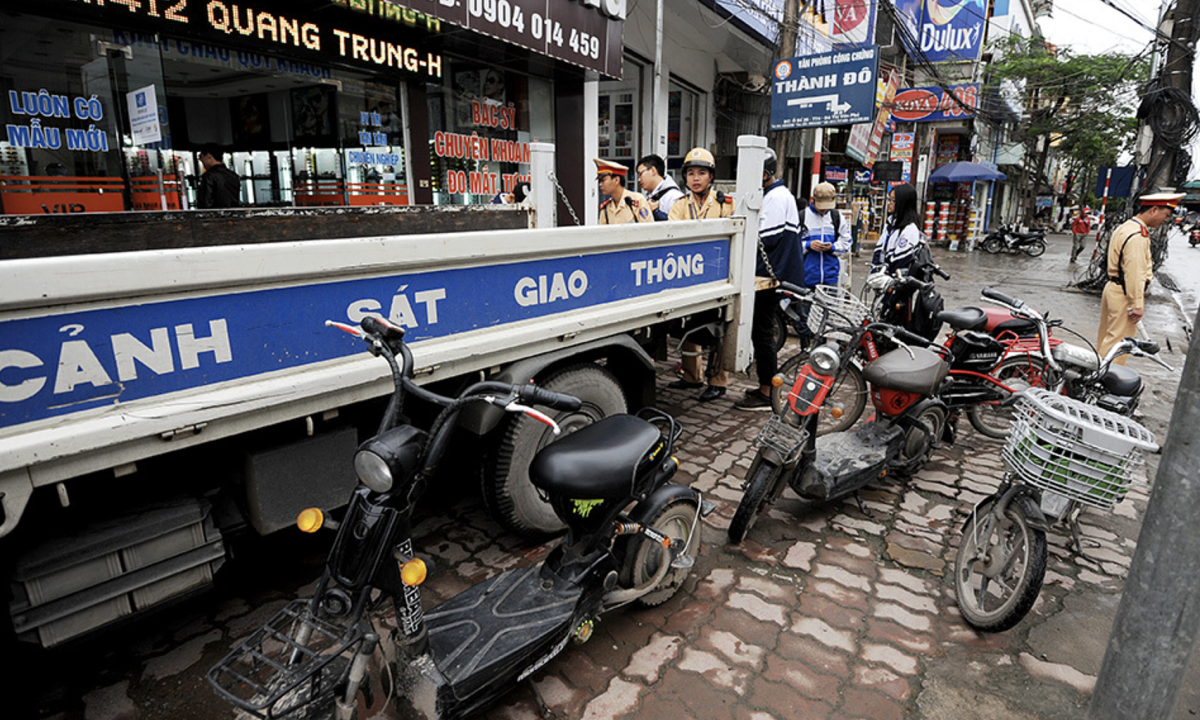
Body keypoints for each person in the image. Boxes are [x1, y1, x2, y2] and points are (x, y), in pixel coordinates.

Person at [735, 148, 802, 411]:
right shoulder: (774, 195)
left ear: (763, 174)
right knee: (761, 332)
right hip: (768, 277)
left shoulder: (776, 198)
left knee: (762, 334)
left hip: (769, 279)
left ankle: (766, 392)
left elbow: (763, 239)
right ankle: (765, 386)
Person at [667, 147, 734, 401]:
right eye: (691, 173)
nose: (696, 178)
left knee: (720, 329)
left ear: (711, 177)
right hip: (686, 275)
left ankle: (718, 381)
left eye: (702, 173)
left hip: (719, 276)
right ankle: (691, 376)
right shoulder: (679, 205)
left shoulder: (725, 203)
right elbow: (672, 236)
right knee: (689, 325)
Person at [1096, 191, 1183, 364]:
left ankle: (1096, 373)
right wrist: (1136, 304)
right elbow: (1134, 272)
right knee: (1120, 343)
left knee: (1107, 337)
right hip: (1125, 293)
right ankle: (1106, 381)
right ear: (1153, 210)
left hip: (1113, 288)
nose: (1165, 219)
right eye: (1165, 215)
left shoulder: (1125, 227)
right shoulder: (1137, 236)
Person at [595, 158, 653, 224]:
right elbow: (603, 233)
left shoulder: (637, 201)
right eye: (599, 181)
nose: (600, 184)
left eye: (603, 180)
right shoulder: (606, 208)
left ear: (616, 180)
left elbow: (648, 230)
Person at [636, 154, 684, 220]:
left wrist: (655, 212)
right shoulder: (648, 197)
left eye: (640, 174)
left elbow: (679, 226)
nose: (639, 179)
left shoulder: (674, 197)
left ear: (653, 170)